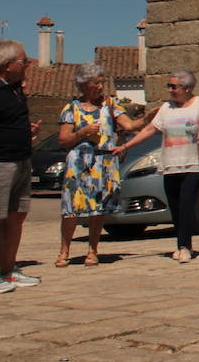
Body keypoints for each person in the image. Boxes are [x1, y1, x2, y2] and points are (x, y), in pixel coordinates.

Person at [114, 71, 199, 263]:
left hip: (192, 165)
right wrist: (125, 145)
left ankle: (185, 246)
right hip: (170, 165)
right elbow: (149, 130)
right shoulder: (166, 108)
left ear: (187, 88)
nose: (170, 90)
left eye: (173, 86)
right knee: (176, 208)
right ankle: (181, 244)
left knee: (187, 205)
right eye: (168, 86)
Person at [55, 63, 146, 267]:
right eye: (96, 82)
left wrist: (149, 118)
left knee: (98, 209)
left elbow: (130, 125)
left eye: (101, 82)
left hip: (102, 162)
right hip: (79, 162)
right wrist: (82, 133)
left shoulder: (110, 105)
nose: (100, 86)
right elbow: (63, 140)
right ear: (85, 84)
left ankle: (92, 250)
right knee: (71, 209)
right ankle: (64, 250)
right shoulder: (71, 108)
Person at [0, 41, 41, 294]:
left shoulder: (15, 91)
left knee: (17, 216)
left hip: (21, 160)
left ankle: (8, 270)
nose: (28, 64)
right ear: (8, 66)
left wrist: (25, 132)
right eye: (24, 61)